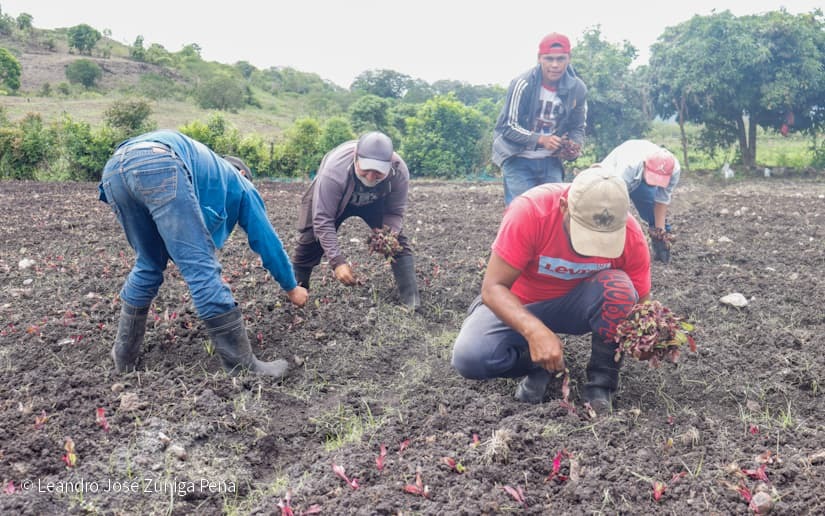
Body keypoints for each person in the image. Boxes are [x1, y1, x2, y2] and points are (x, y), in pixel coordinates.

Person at [98, 130, 308, 378]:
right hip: (158, 163)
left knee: (148, 263)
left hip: (114, 169)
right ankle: (243, 367)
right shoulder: (241, 183)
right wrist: (291, 288)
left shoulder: (206, 171)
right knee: (201, 267)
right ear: (243, 174)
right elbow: (268, 242)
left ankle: (124, 356)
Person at [451, 168, 651, 415]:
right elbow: (493, 288)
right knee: (470, 356)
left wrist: (644, 339)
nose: (593, 248)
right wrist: (534, 331)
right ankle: (538, 365)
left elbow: (641, 306)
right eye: (585, 233)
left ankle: (601, 385)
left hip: (578, 307)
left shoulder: (631, 234)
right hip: (522, 303)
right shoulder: (530, 212)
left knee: (620, 290)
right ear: (564, 206)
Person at [292, 131, 420, 308]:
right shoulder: (333, 172)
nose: (370, 177)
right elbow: (323, 219)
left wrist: (388, 237)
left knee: (397, 243)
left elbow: (395, 212)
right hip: (336, 199)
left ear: (389, 165)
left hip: (375, 202)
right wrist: (337, 262)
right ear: (355, 157)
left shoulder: (399, 172)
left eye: (378, 172)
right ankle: (297, 295)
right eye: (366, 169)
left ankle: (412, 302)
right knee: (309, 240)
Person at [492, 32, 588, 206]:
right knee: (523, 211)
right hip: (517, 157)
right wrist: (541, 139)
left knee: (556, 211)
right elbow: (507, 126)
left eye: (561, 59)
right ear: (539, 58)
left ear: (569, 58)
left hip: (551, 160)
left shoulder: (577, 89)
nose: (555, 65)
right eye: (549, 59)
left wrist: (574, 145)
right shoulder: (522, 84)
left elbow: (577, 127)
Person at [598, 139, 681, 264]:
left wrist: (660, 230)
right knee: (607, 215)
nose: (655, 183)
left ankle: (661, 251)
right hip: (609, 182)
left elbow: (662, 200)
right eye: (653, 177)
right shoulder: (626, 168)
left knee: (653, 213)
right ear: (644, 165)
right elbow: (614, 203)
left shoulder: (673, 170)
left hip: (638, 179)